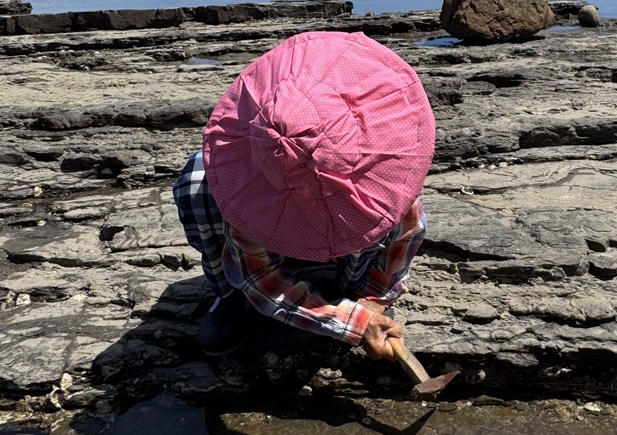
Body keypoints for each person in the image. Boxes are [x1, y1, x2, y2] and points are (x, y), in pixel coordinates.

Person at [174, 30, 436, 361]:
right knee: (196, 181)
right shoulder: (241, 189)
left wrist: (372, 302)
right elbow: (259, 276)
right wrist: (350, 326)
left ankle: (355, 287)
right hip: (259, 237)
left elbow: (407, 231)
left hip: (347, 257)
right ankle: (229, 293)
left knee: (388, 220)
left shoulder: (386, 173)